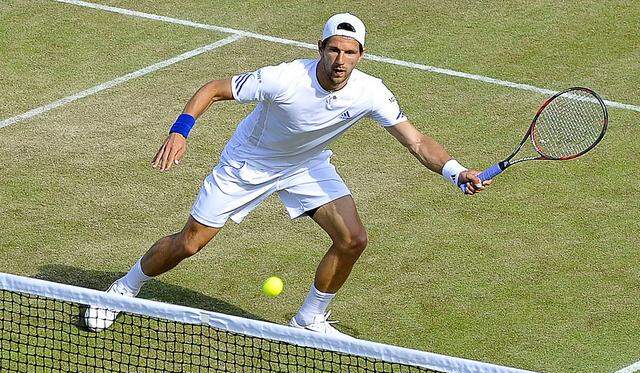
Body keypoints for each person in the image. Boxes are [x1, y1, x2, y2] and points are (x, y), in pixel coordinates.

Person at [85, 13, 489, 337]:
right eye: (334, 50)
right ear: (320, 49)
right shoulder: (284, 78)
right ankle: (125, 287)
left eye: (350, 52)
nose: (340, 61)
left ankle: (310, 318)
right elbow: (213, 88)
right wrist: (180, 131)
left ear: (361, 55)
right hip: (247, 165)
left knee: (353, 239)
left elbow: (415, 140)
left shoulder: (371, 92)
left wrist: (455, 172)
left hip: (305, 165)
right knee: (189, 244)